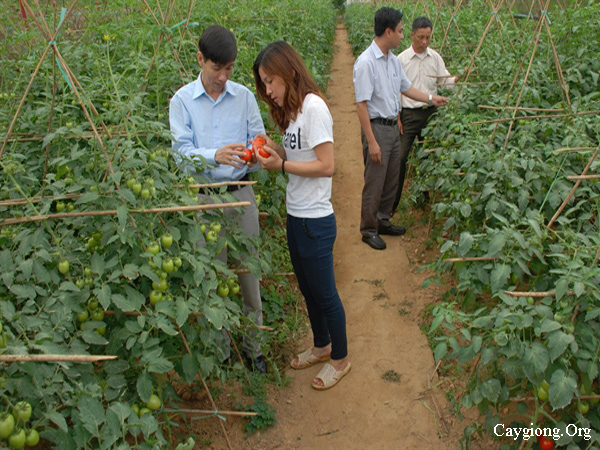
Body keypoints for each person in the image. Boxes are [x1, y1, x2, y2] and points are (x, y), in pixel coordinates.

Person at [252, 41, 351, 390]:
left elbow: (326, 166)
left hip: (316, 221)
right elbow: (298, 154)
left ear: (290, 73)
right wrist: (273, 148)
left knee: (325, 294)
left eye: (270, 81)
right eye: (263, 84)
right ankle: (321, 346)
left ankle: (340, 359)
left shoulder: (314, 108)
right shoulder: (294, 112)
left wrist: (281, 165)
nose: (268, 91)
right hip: (297, 216)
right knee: (308, 290)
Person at [169, 25, 267, 374]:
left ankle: (254, 350)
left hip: (241, 196)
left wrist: (255, 152)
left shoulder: (243, 97)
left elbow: (259, 135)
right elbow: (181, 154)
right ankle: (221, 352)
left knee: (248, 275)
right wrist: (214, 156)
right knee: (212, 279)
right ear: (200, 60)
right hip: (203, 201)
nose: (223, 77)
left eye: (229, 69)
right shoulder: (182, 101)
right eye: (216, 68)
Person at [353, 7, 449, 251]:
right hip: (377, 128)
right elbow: (361, 105)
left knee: (391, 178)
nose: (403, 36)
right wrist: (372, 141)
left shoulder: (393, 61)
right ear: (388, 32)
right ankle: (368, 229)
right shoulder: (365, 63)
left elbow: (406, 88)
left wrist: (431, 99)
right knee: (374, 181)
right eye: (400, 31)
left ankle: (383, 220)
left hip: (393, 127)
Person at [393, 16, 458, 212]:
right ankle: (393, 203)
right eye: (420, 37)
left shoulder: (435, 58)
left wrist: (458, 80)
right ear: (411, 35)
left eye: (428, 37)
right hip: (409, 115)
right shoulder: (401, 60)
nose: (424, 42)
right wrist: (397, 117)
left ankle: (424, 198)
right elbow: (395, 90)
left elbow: (444, 81)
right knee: (400, 158)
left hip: (431, 114)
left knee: (427, 157)